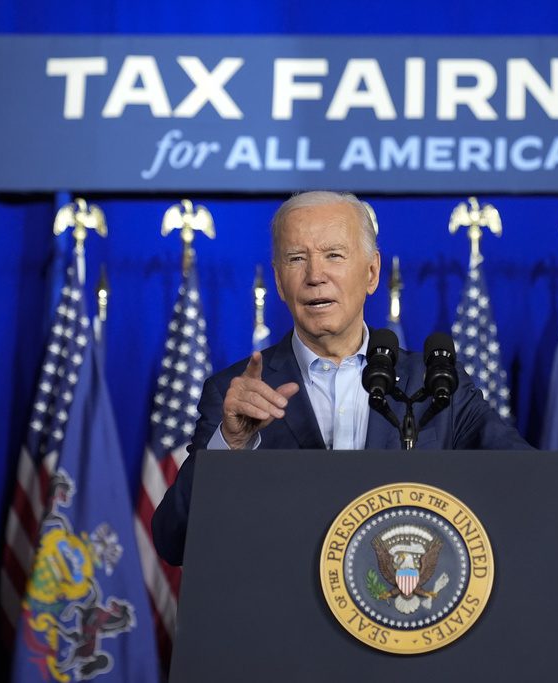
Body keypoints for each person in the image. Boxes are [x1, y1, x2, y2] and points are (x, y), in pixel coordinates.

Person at [152, 191, 531, 565]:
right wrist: (230, 446)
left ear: (372, 272)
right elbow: (174, 541)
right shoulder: (235, 393)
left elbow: (529, 481)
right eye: (296, 258)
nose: (315, 276)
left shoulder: (437, 383)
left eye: (334, 255)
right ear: (279, 281)